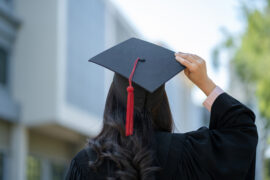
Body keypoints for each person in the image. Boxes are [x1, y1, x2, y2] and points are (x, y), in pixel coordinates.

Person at [65, 38, 258, 180]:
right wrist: (205, 83)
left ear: (113, 101)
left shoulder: (85, 164)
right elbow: (241, 130)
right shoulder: (188, 153)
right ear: (161, 103)